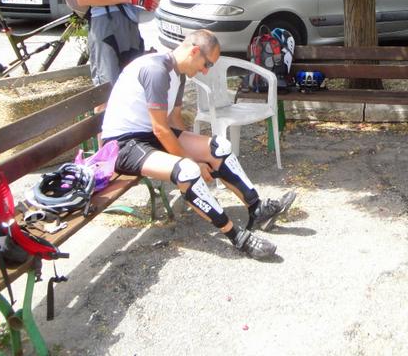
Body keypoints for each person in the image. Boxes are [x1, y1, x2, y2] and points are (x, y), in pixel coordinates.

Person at [100, 29, 296, 260]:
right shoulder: (156, 70)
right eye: (207, 64)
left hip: (148, 135)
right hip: (123, 145)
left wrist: (200, 153)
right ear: (194, 51)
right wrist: (191, 160)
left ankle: (257, 209)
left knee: (218, 148)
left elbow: (173, 121)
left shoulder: (178, 73)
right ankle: (237, 237)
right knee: (188, 170)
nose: (205, 70)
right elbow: (161, 129)